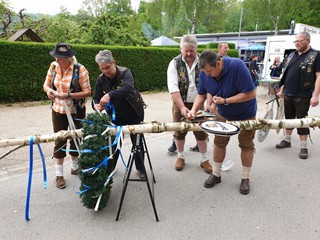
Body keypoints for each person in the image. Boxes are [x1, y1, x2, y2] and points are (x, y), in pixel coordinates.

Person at [188, 50, 257, 195]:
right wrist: (194, 110)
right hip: (223, 113)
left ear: (219, 63)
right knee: (219, 142)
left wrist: (226, 101)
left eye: (209, 72)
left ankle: (245, 178)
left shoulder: (237, 66)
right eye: (204, 72)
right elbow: (201, 94)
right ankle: (216, 174)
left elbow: (251, 93)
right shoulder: (204, 71)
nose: (206, 75)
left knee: (246, 144)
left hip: (245, 113)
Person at [43, 42, 91, 189]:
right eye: (56, 57)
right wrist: (49, 92)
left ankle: (75, 166)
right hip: (58, 110)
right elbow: (46, 85)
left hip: (76, 110)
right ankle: (59, 175)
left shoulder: (80, 69)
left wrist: (68, 95)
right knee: (60, 139)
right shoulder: (53, 66)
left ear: (70, 58)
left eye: (61, 58)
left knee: (76, 137)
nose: (58, 60)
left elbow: (87, 91)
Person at [92, 49, 147, 179]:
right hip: (116, 117)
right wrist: (96, 106)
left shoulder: (125, 72)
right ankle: (110, 168)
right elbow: (95, 97)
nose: (105, 71)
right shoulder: (101, 79)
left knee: (137, 143)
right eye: (102, 69)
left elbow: (127, 88)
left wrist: (109, 95)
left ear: (113, 62)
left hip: (134, 113)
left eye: (107, 67)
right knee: (114, 144)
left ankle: (140, 168)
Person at [167, 34, 212, 174]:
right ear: (181, 49)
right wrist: (181, 107)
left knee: (201, 132)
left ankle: (204, 159)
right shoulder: (174, 63)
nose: (188, 53)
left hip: (200, 103)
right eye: (185, 50)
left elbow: (211, 83)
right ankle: (180, 157)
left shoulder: (204, 61)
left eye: (191, 50)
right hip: (180, 102)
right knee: (179, 132)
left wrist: (209, 103)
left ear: (196, 48)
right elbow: (173, 87)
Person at [275, 32, 320, 159]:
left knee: (302, 121)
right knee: (289, 119)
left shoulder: (315, 55)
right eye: (295, 41)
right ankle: (287, 140)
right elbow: (286, 75)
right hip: (288, 93)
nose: (297, 43)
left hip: (303, 94)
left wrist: (315, 95)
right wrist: (281, 90)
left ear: (307, 41)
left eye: (299, 41)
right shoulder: (291, 55)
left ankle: (304, 147)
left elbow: (319, 76)